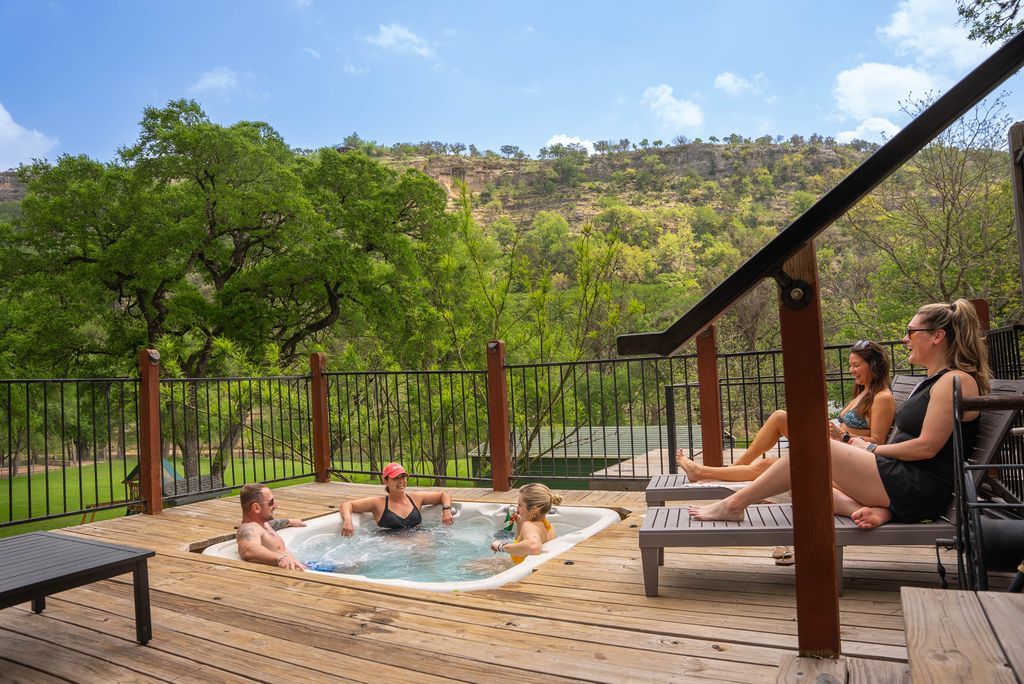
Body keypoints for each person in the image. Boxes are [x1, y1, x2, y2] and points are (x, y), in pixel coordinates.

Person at [689, 300, 989, 529]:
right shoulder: (934, 380)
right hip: (901, 479)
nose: (905, 339)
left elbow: (927, 447)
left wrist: (871, 447)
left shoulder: (955, 380)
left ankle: (734, 504)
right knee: (803, 481)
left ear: (937, 336)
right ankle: (879, 510)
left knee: (810, 451)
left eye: (910, 332)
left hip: (921, 488)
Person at [678, 340, 895, 483]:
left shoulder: (882, 398)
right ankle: (733, 468)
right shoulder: (864, 391)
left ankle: (703, 472)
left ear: (873, 365)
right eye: (851, 365)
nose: (852, 370)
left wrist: (843, 435)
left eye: (856, 365)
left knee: (768, 465)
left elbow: (878, 442)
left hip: (840, 454)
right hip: (829, 443)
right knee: (780, 416)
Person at [339, 462, 454, 535]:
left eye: (403, 477)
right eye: (395, 478)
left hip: (419, 543)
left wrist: (446, 510)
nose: (401, 482)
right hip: (392, 548)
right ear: (386, 481)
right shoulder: (378, 503)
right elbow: (347, 505)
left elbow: (444, 495)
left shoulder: (416, 498)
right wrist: (348, 520)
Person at [236, 482, 307, 571]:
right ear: (256, 508)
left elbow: (275, 523)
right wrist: (281, 558)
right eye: (271, 502)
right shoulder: (249, 528)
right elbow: (249, 550)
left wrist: (289, 521)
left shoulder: (263, 524)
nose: (275, 506)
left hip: (300, 565)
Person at [490, 483, 563, 563]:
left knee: (477, 564)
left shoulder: (528, 525)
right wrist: (520, 527)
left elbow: (534, 547)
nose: (517, 509)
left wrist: (501, 546)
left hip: (519, 571)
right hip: (528, 566)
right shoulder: (549, 526)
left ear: (533, 509)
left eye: (520, 505)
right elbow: (524, 548)